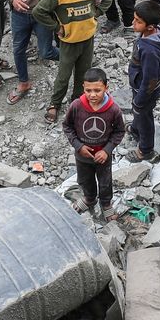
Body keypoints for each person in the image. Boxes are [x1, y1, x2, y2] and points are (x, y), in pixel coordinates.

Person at [33, 0, 114, 123]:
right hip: (69, 42)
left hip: (87, 39)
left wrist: (97, 13)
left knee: (83, 73)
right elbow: (38, 11)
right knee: (63, 75)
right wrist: (56, 27)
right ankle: (54, 104)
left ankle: (77, 101)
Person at [61, 67, 125, 216]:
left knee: (105, 181)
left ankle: (106, 203)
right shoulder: (76, 106)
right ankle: (89, 198)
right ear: (83, 87)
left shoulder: (113, 110)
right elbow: (67, 126)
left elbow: (119, 131)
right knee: (84, 180)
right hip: (82, 156)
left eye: (97, 90)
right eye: (88, 90)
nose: (92, 95)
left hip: (103, 157)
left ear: (106, 88)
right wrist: (78, 146)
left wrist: (107, 150)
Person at [127, 0, 160, 162]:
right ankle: (135, 129)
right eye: (134, 19)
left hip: (144, 90)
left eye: (138, 21)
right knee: (139, 112)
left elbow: (150, 78)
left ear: (150, 27)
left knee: (144, 115)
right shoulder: (153, 33)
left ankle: (145, 149)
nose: (133, 23)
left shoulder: (149, 50)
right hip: (140, 86)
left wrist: (140, 99)